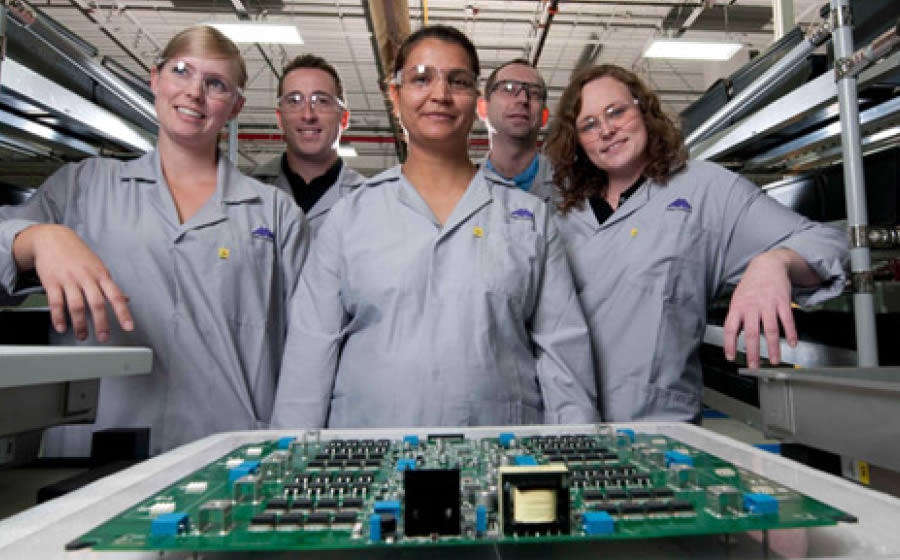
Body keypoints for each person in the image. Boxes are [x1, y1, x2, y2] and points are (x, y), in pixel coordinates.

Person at [0, 26, 309, 455]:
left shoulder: (276, 215)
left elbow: (308, 350)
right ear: (155, 79)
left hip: (227, 454)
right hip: (91, 455)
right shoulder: (84, 187)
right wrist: (36, 238)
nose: (194, 93)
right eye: (181, 72)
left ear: (235, 106)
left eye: (215, 84)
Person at [271, 25, 598, 428]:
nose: (439, 94)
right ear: (395, 97)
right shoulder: (349, 218)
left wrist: (578, 456)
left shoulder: (529, 218)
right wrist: (289, 462)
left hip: (499, 455)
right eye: (421, 79)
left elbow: (564, 358)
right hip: (370, 459)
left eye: (457, 81)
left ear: (476, 100)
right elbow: (309, 357)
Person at [543, 64, 848, 423]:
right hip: (564, 426)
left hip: (660, 428)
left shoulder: (706, 190)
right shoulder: (562, 213)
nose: (606, 130)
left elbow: (829, 243)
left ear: (643, 109)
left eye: (617, 112)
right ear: (577, 141)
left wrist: (775, 261)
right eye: (589, 125)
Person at [252, 54, 365, 235]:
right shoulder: (247, 194)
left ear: (343, 118)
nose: (308, 115)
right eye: (294, 101)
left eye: (321, 101)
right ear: (280, 118)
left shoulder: (369, 200)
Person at [477, 58, 554, 201]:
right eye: (508, 89)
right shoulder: (460, 188)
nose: (523, 99)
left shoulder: (573, 187)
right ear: (483, 108)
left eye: (534, 93)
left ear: (544, 116)